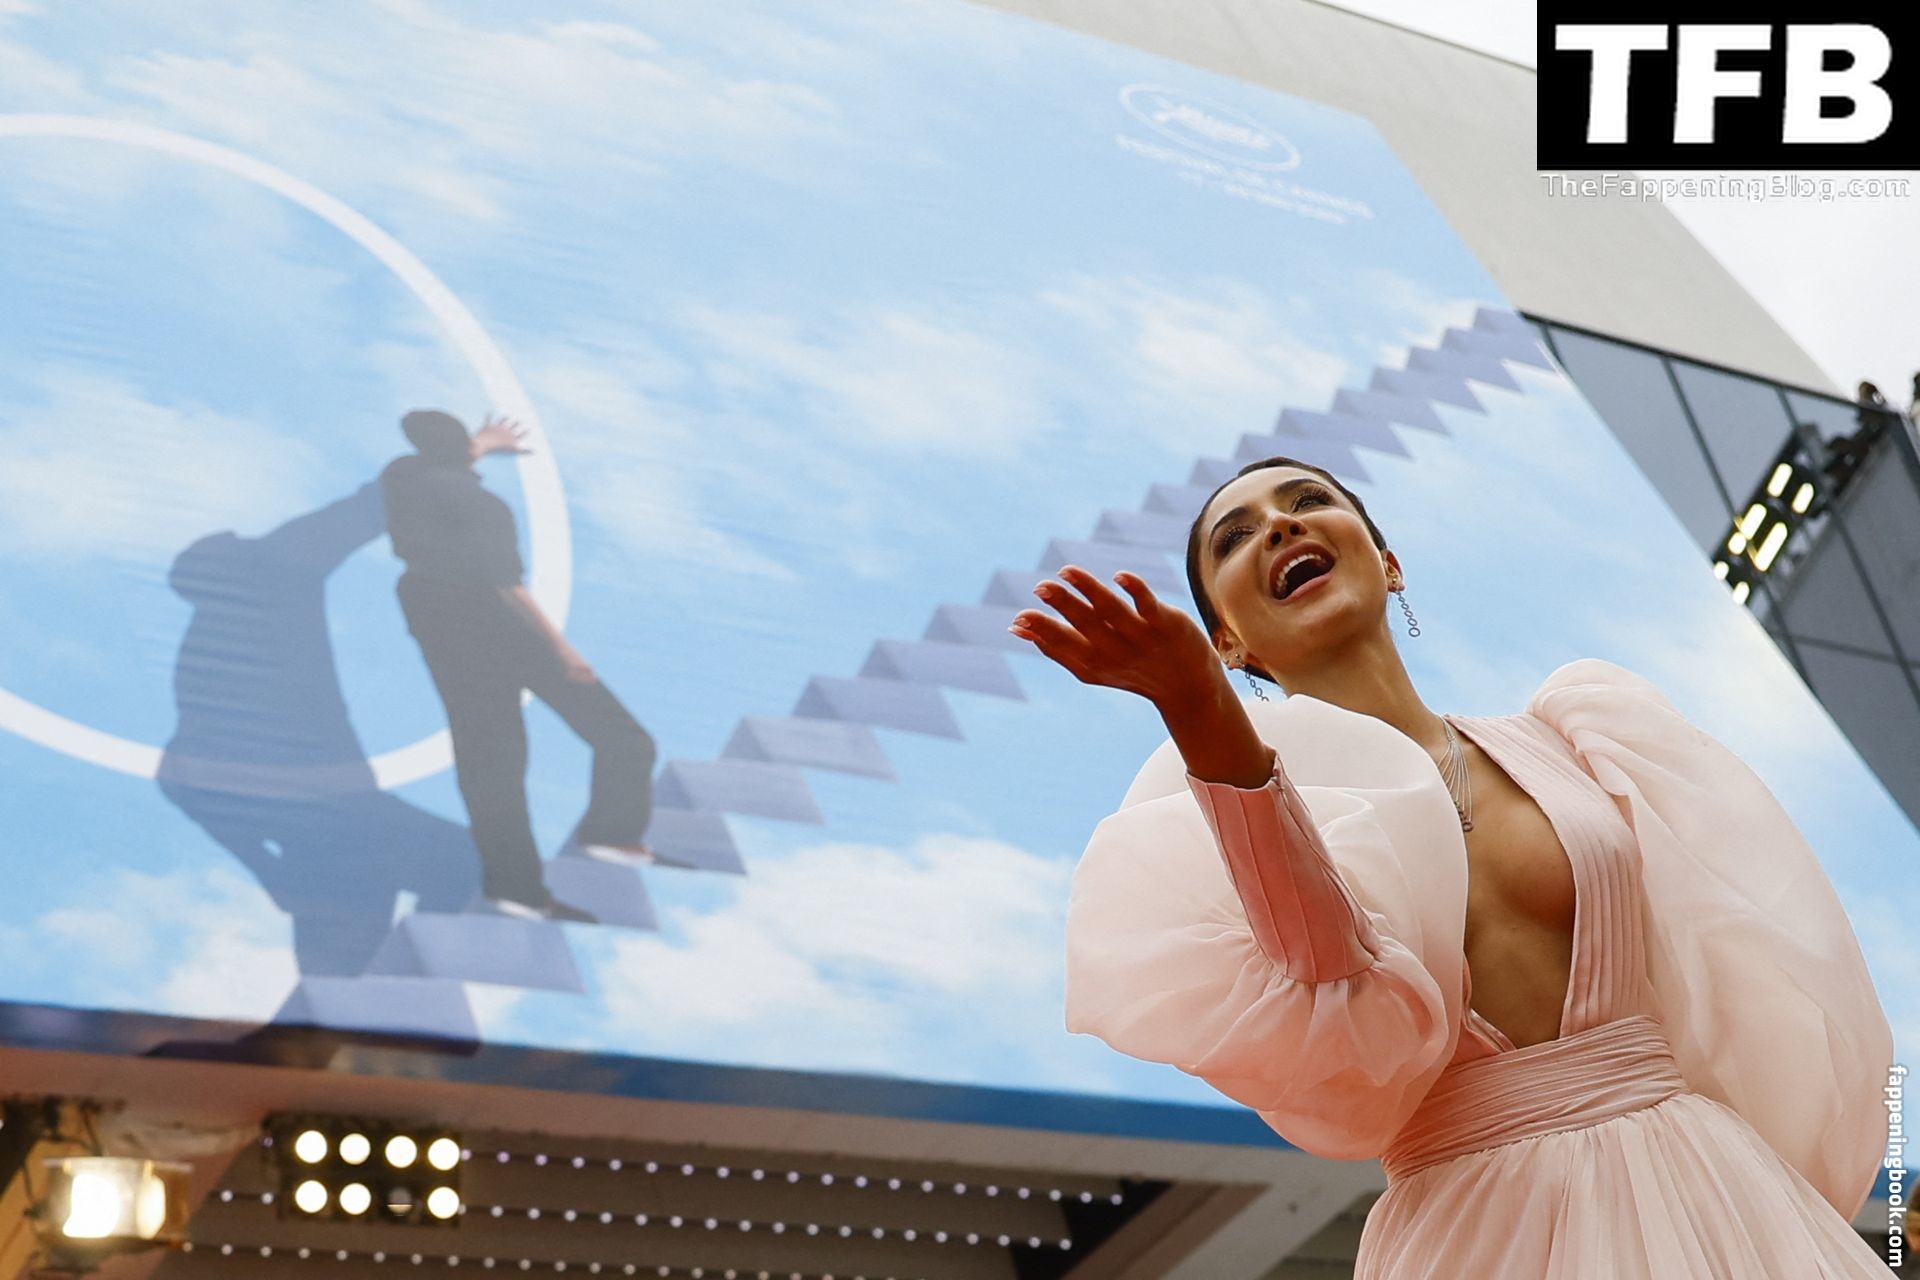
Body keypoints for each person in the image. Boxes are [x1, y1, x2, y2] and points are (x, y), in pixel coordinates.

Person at [1008, 455, 1893, 1277]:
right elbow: (1337, 982)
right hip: (1482, 1233)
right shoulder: (1240, 814)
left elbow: (1747, 963)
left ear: (1389, 564)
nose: (1279, 525)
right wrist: (1197, 708)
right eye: (1235, 537)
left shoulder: (1580, 735)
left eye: (1308, 500)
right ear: (1229, 645)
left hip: (1704, 1194)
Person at [380, 409, 659, 923]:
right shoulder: (485, 509)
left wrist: (481, 445)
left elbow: (446, 462)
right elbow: (507, 590)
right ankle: (610, 834)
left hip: (431, 611)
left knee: (489, 762)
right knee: (624, 739)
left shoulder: (401, 476)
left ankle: (514, 889)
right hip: (496, 619)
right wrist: (566, 654)